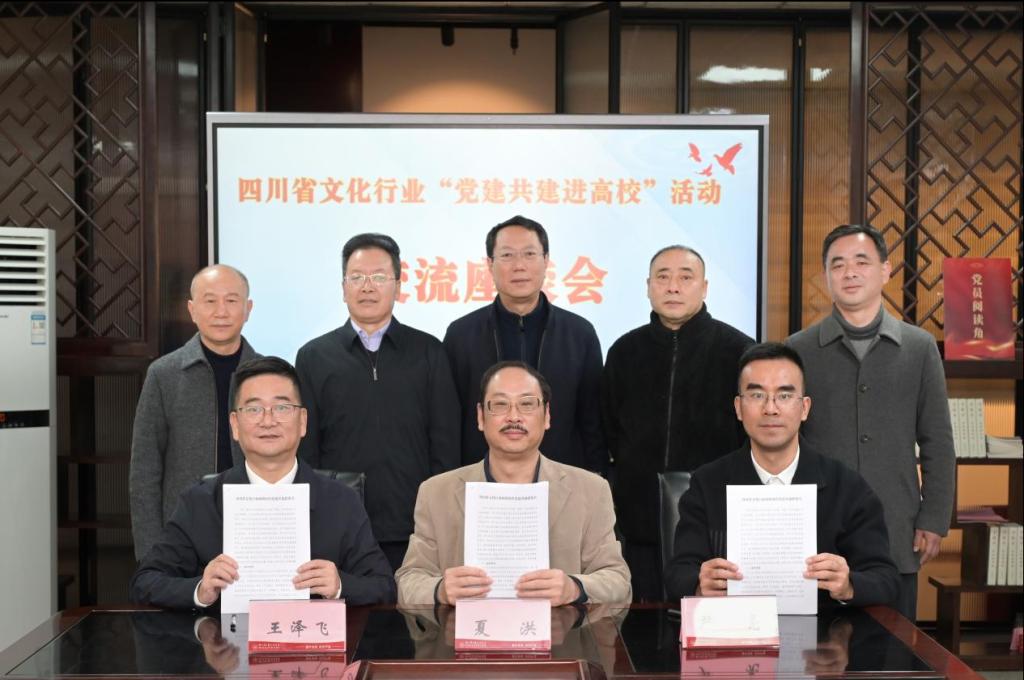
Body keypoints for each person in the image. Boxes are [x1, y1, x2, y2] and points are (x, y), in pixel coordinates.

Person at [130, 356, 396, 610]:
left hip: (313, 640)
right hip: (223, 641)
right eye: (254, 409)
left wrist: (340, 585)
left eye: (281, 408)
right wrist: (200, 590)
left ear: (303, 422)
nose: (268, 421)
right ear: (235, 425)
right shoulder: (200, 502)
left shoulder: (341, 501)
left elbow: (384, 586)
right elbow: (145, 582)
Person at [787, 224, 954, 621]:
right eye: (837, 264)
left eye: (861, 262)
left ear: (885, 270)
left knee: (894, 646)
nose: (849, 272)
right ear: (826, 276)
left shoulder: (919, 347)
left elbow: (937, 440)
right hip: (817, 526)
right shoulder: (798, 349)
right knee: (814, 647)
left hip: (896, 526)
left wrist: (934, 519)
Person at [664, 343, 899, 610]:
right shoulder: (708, 483)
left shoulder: (846, 486)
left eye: (784, 396)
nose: (771, 409)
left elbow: (886, 579)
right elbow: (677, 574)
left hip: (825, 632)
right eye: (757, 395)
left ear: (805, 408)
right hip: (736, 630)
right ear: (738, 408)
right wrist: (699, 583)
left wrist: (848, 584)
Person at [396, 361, 631, 606]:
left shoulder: (591, 490)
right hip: (466, 629)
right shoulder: (435, 493)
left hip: (559, 630)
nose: (514, 416)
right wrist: (440, 590)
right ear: (480, 417)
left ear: (547, 416)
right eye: (500, 404)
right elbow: (408, 582)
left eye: (527, 404)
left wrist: (574, 588)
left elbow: (619, 581)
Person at [296, 233, 460, 572]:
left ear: (398, 286)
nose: (367, 287)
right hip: (339, 526)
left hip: (413, 528)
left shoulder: (429, 352)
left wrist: (440, 519)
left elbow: (445, 444)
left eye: (379, 277)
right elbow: (306, 450)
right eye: (357, 277)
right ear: (343, 287)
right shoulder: (314, 357)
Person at [601, 245, 753, 601]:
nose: (673, 287)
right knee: (639, 626)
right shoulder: (624, 351)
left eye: (686, 277)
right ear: (648, 286)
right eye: (663, 277)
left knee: (709, 628)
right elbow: (608, 430)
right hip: (637, 529)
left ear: (705, 287)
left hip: (716, 530)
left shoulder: (739, 351)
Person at [442, 216, 606, 473]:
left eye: (529, 254)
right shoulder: (461, 335)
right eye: (507, 255)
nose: (519, 266)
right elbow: (449, 422)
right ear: (490, 264)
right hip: (481, 481)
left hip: (562, 479)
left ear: (546, 260)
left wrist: (598, 478)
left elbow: (593, 420)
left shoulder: (579, 334)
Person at [130, 264, 259, 560]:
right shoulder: (164, 374)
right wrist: (151, 553)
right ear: (192, 309)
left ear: (248, 309)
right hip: (183, 533)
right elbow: (144, 470)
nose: (221, 311)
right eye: (210, 301)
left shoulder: (268, 374)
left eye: (231, 300)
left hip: (256, 528)